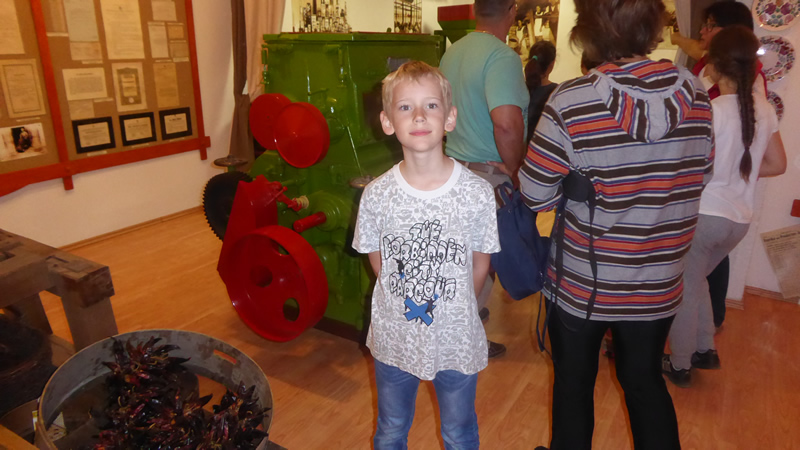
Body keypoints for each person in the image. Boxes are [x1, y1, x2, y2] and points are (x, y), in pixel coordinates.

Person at [520, 0, 714, 448]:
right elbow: (700, 175)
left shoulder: (571, 100)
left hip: (584, 284)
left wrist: (577, 187)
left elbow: (534, 193)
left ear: (588, 29)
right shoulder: (695, 92)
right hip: (658, 280)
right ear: (653, 24)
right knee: (644, 382)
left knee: (573, 386)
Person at [353, 61, 500, 450]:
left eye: (431, 105)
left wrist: (452, 308)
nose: (419, 116)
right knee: (390, 430)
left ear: (450, 117)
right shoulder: (377, 195)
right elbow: (378, 260)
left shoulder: (477, 193)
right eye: (405, 107)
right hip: (394, 338)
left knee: (459, 433)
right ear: (387, 122)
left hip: (456, 339)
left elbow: (480, 264)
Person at [663, 26, 787, 388]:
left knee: (683, 289)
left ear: (714, 65)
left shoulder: (710, 109)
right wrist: (736, 173)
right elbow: (777, 164)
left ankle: (679, 363)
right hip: (738, 221)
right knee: (696, 281)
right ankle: (704, 349)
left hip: (704, 217)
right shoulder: (765, 109)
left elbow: (684, 166)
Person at [671, 0, 772, 329]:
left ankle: (688, 347)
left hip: (707, 202)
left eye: (710, 25)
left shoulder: (739, 89)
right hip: (729, 206)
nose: (702, 31)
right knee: (698, 276)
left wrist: (726, 169)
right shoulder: (713, 68)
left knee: (690, 280)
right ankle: (705, 337)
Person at [439, 0, 529, 359]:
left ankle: (463, 318)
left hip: (454, 169)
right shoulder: (501, 57)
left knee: (458, 258)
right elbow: (506, 124)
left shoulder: (452, 53)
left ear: (476, 9)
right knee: (481, 262)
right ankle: (462, 339)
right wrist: (517, 169)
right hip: (487, 176)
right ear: (512, 10)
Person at [524, 41, 557, 144]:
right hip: (543, 148)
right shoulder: (557, 92)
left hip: (518, 147)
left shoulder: (518, 88)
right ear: (552, 65)